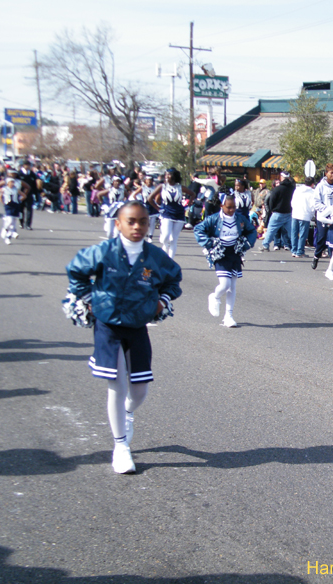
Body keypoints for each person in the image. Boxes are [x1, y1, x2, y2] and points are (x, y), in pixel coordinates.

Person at [64, 201, 182, 474]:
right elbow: (76, 271)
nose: (138, 226)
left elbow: (173, 279)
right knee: (117, 386)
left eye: (143, 221)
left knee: (139, 390)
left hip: (138, 326)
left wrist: (162, 300)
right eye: (131, 221)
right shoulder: (104, 252)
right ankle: (120, 447)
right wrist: (88, 299)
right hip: (108, 326)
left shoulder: (155, 256)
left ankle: (128, 415)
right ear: (118, 224)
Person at [194, 194, 257, 328]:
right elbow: (198, 229)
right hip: (220, 253)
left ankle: (228, 316)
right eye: (229, 207)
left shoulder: (240, 218)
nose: (232, 210)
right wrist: (209, 243)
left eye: (234, 207)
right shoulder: (213, 219)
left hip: (234, 253)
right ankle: (215, 297)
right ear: (222, 205)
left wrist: (247, 244)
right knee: (225, 284)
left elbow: (252, 231)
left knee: (232, 286)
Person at [151, 168, 195, 258]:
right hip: (166, 213)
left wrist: (189, 204)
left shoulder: (180, 187)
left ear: (174, 176)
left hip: (179, 215)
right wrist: (158, 209)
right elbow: (150, 198)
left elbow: (192, 194)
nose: (167, 176)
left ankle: (170, 261)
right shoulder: (162, 186)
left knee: (173, 240)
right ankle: (164, 244)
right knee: (165, 238)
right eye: (166, 174)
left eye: (169, 174)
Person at [311, 164, 333, 270]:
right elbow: (316, 202)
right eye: (331, 173)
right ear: (326, 174)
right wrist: (327, 210)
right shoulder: (320, 186)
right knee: (322, 238)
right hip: (323, 217)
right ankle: (316, 256)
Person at [262, 175, 295, 252]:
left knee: (271, 229)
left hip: (278, 212)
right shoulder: (292, 189)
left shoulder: (277, 189)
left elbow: (271, 200)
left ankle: (266, 245)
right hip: (289, 213)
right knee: (292, 232)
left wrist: (272, 209)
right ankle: (296, 246)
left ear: (281, 178)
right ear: (289, 178)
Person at [0, 173, 29, 245]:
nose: (12, 183)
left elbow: (24, 196)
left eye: (13, 182)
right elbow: (0, 197)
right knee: (9, 220)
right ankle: (5, 229)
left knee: (14, 222)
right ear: (7, 183)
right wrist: (3, 203)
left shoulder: (16, 189)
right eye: (11, 182)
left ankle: (8, 237)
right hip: (8, 205)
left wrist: (19, 200)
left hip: (15, 205)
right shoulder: (4, 189)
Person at [290, 176, 315, 258]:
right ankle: (300, 251)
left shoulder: (297, 190)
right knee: (302, 234)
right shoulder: (312, 192)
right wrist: (311, 215)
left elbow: (292, 202)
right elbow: (313, 206)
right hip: (305, 215)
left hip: (295, 213)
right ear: (312, 184)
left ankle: (294, 250)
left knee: (294, 233)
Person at [130, 175, 160, 242]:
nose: (149, 181)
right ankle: (143, 234)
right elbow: (134, 195)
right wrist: (139, 202)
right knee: (145, 221)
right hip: (145, 206)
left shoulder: (155, 188)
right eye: (147, 180)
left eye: (150, 180)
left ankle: (150, 236)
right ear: (145, 181)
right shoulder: (142, 187)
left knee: (152, 222)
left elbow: (158, 196)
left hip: (153, 206)